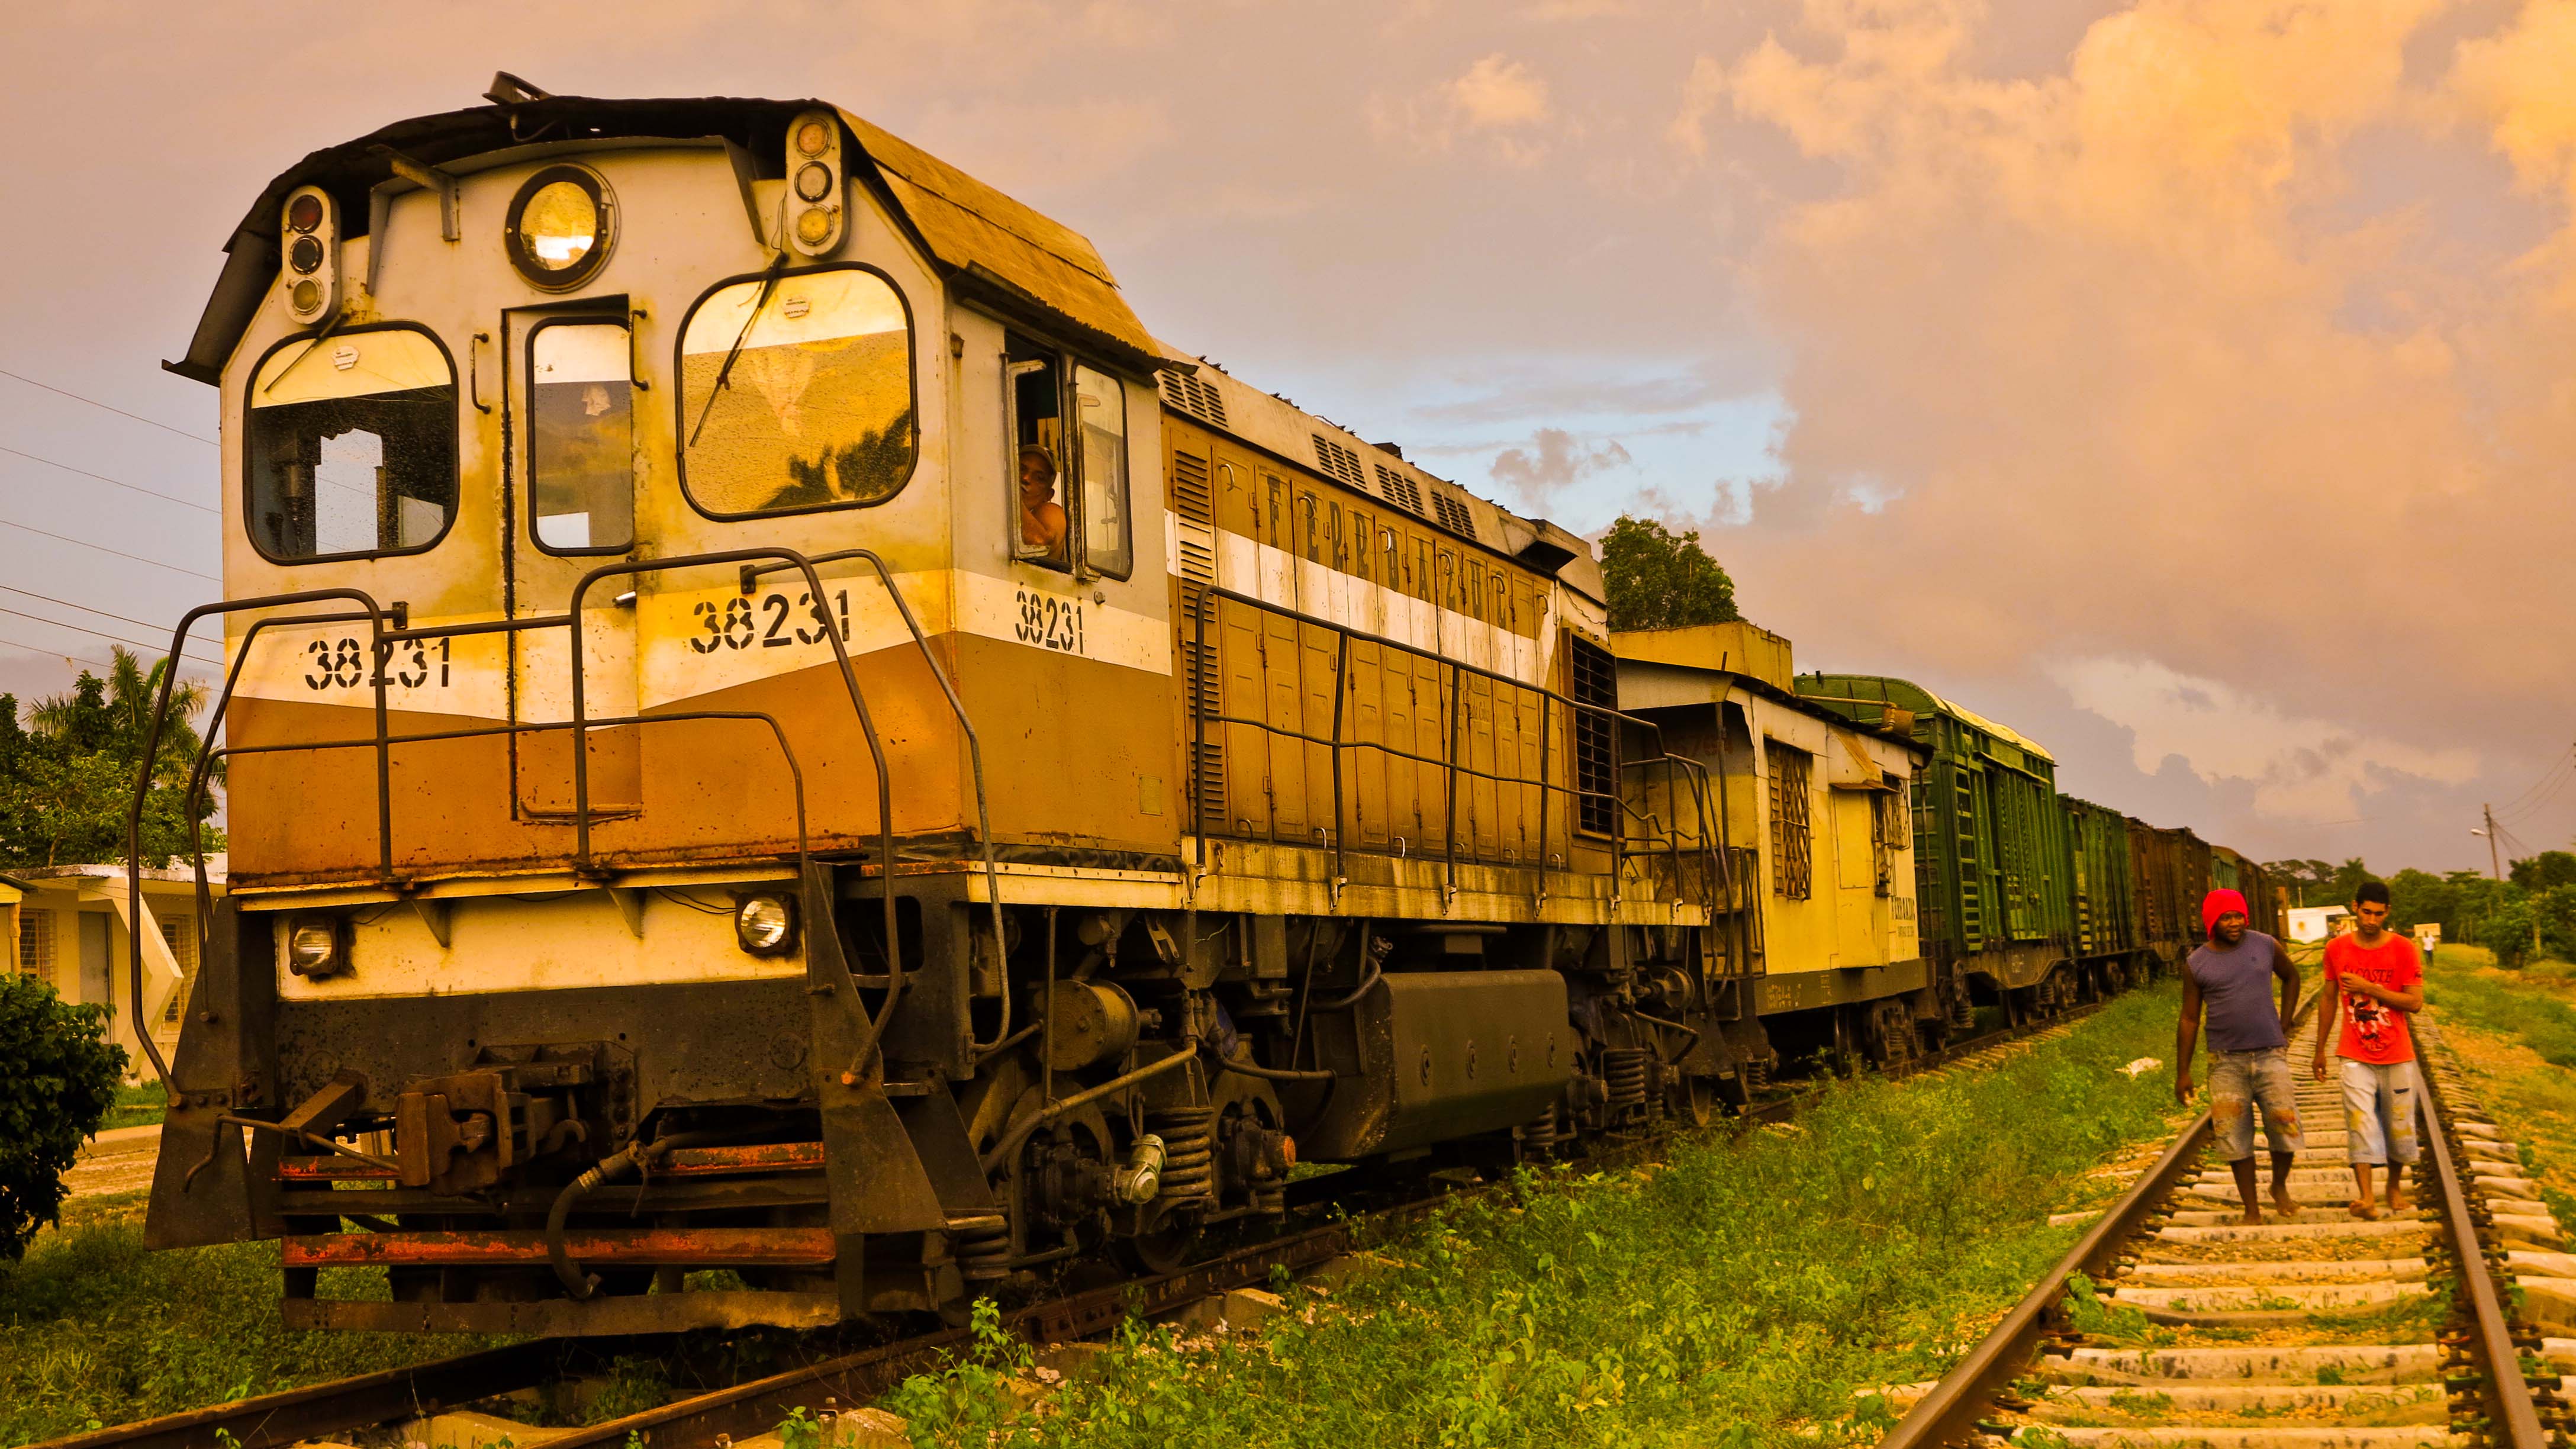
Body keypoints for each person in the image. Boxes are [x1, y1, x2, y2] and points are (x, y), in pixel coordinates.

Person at [2176, 887, 2305, 1224]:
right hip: (2225, 1061)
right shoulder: (2197, 964)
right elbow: (2189, 1018)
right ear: (2211, 922)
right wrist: (2183, 1072)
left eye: (2239, 916)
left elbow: (2292, 977)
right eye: (2226, 918)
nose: (2235, 923)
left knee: (2285, 1127)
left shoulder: (2265, 945)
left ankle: (2279, 1186)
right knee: (2233, 1136)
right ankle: (2252, 1208)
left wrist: (2285, 1021)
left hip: (2269, 1054)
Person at [2310, 880, 2424, 1219]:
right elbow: (2328, 998)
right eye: (2366, 912)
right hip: (2355, 1053)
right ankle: (2367, 1197)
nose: (2372, 920)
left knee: (2399, 1125)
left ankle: (2393, 1186)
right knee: (2360, 1122)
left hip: (2398, 1053)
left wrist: (2368, 987)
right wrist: (2320, 1050)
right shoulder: (2336, 949)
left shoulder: (2404, 949)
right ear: (2355, 908)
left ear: (2387, 912)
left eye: (2378, 914)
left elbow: (2415, 1002)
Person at [1019, 445, 1068, 556]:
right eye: (1021, 469)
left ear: (1048, 495)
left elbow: (1037, 542)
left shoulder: (1052, 511)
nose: (1026, 478)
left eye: (1039, 478)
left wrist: (1011, 494)